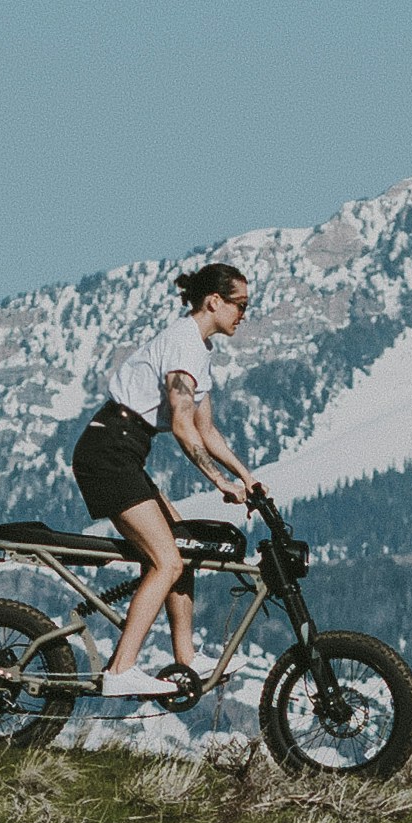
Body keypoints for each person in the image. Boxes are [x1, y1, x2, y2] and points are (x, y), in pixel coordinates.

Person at [70, 262, 266, 699]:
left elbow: (206, 429)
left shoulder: (199, 350)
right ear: (214, 302)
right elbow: (182, 426)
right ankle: (121, 670)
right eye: (240, 305)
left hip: (124, 449)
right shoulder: (183, 346)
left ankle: (186, 658)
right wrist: (219, 483)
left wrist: (247, 478)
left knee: (181, 545)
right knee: (167, 560)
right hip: (109, 451)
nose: (243, 315)